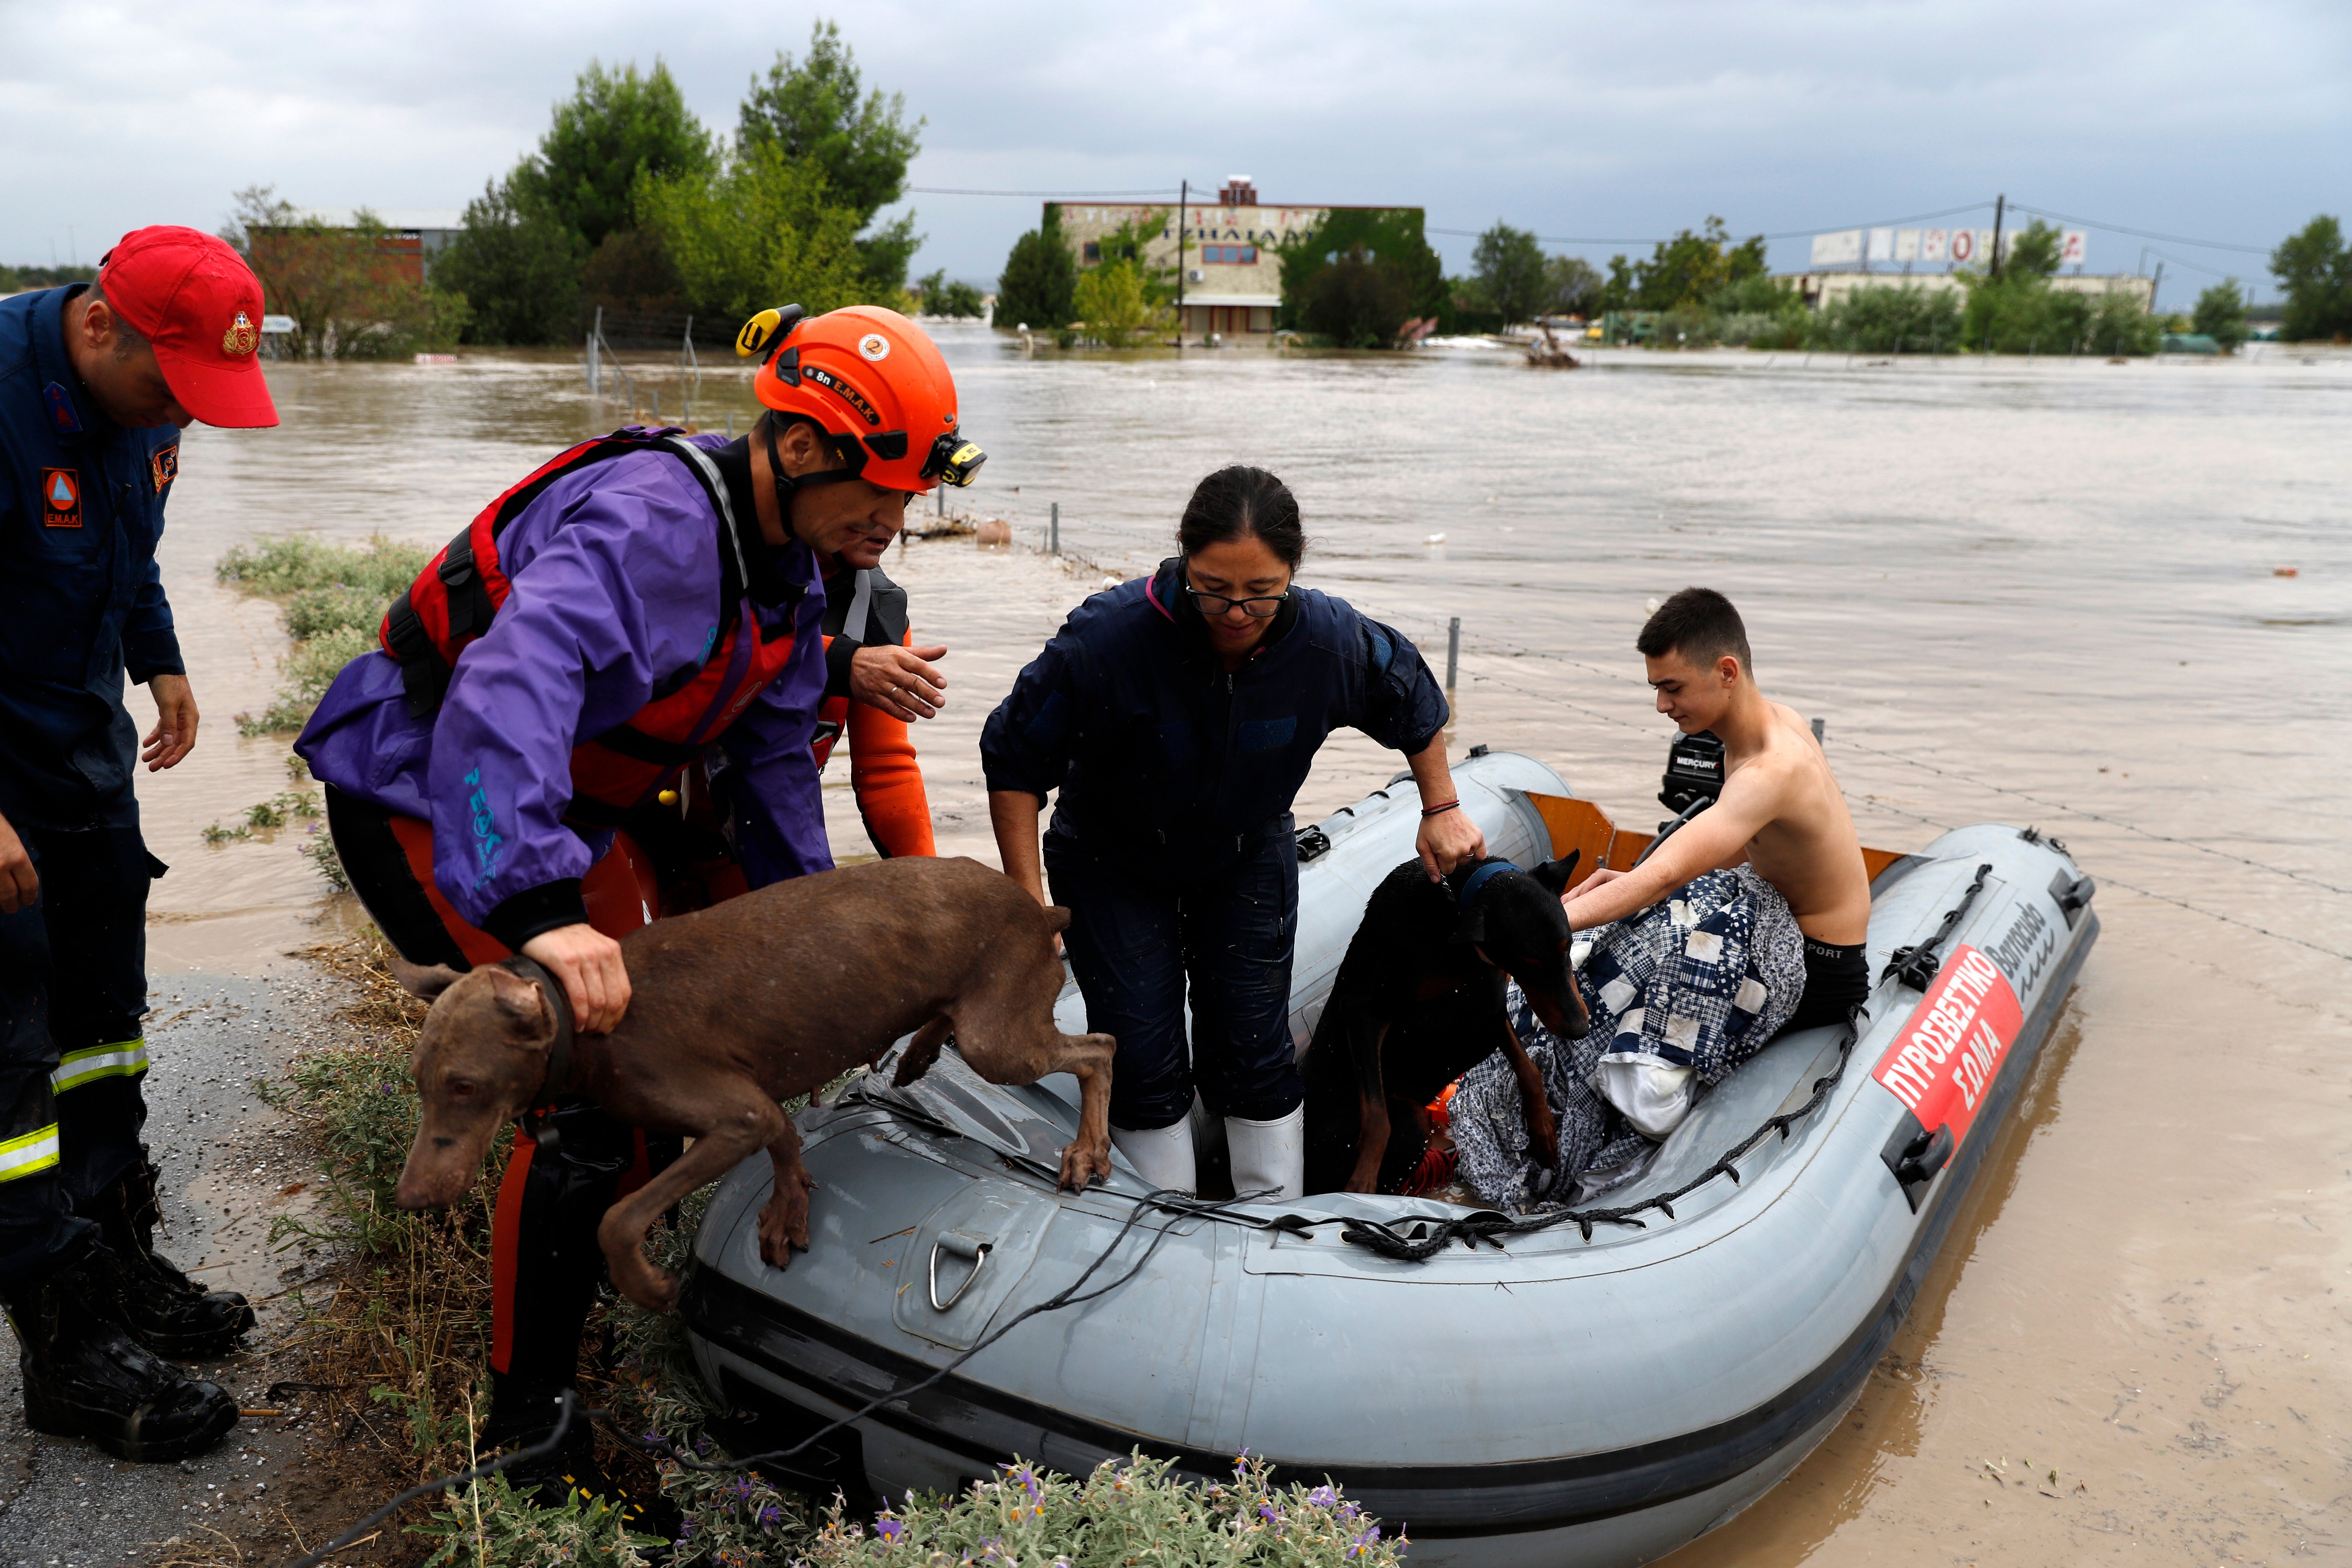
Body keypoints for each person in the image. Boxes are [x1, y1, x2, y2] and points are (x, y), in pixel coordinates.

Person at [295, 302, 980, 1490]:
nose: (894, 524)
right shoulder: (655, 522)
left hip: (565, 810)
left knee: (668, 1045)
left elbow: (776, 769)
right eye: (881, 494)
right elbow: (510, 687)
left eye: (910, 501)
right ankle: (534, 1430)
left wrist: (834, 949)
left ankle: (597, 1294)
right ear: (803, 446)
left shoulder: (791, 571)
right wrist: (542, 910)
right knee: (592, 1087)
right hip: (431, 789)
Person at [982, 466, 1481, 1202]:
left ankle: (1270, 1216)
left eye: (1261, 592)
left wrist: (1441, 806)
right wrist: (1028, 898)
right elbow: (1014, 757)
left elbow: (1409, 693)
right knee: (1142, 1055)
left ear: (1293, 572)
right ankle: (1164, 1222)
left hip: (1245, 854)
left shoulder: (1327, 639)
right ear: (1184, 559)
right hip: (1112, 863)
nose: (1237, 612)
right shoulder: (1109, 639)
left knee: (1253, 1047)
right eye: (1213, 589)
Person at [0, 227, 280, 1462]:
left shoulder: (150, 409)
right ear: (98, 326)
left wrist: (160, 660)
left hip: (79, 752)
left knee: (103, 1016)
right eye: (174, 388)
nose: (185, 415)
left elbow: (133, 554)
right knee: (10, 1047)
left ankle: (113, 1248)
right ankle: (59, 1337)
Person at [1557, 587, 1870, 1133]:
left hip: (1816, 969)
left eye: (1673, 687)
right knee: (1628, 933)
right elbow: (1748, 843)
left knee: (1623, 964)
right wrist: (1633, 883)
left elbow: (1664, 875)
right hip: (1782, 927)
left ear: (1727, 671)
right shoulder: (1769, 726)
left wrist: (1548, 922)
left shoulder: (1772, 769)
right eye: (1657, 689)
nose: (1662, 706)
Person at [813, 551, 942, 857]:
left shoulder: (881, 609)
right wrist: (844, 662)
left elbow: (886, 767)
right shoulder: (722, 563)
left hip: (764, 818)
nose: (888, 527)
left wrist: (926, 876)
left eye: (905, 503)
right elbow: (736, 643)